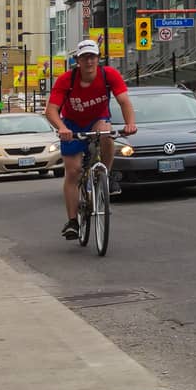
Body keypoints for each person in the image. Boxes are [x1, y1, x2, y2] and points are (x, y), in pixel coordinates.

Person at [45, 40, 138, 241]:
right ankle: (72, 221)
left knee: (106, 133)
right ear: (77, 60)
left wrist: (130, 124)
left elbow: (124, 101)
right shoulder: (66, 80)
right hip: (72, 124)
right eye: (84, 57)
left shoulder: (109, 75)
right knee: (73, 171)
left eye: (92, 57)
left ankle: (106, 174)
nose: (89, 61)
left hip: (98, 120)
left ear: (98, 59)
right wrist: (62, 128)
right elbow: (51, 110)